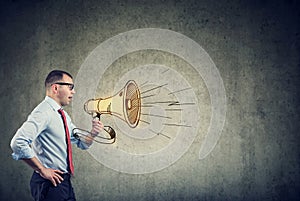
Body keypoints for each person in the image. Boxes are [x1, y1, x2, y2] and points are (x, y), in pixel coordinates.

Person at [10, 70, 103, 201]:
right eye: (70, 87)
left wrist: (93, 133)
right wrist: (42, 169)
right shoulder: (43, 112)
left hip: (64, 182)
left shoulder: (63, 115)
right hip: (50, 183)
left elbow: (82, 143)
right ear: (55, 88)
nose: (73, 92)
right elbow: (18, 143)